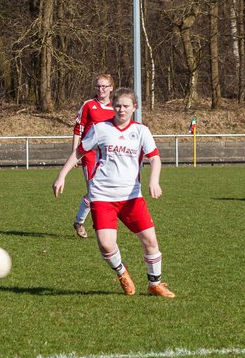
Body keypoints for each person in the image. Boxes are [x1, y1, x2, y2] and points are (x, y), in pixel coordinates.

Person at [52, 87, 174, 298]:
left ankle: (155, 284)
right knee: (106, 244)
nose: (121, 110)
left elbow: (154, 157)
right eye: (117, 106)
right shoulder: (100, 129)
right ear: (112, 106)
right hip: (102, 195)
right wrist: (62, 175)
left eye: (126, 106)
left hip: (131, 197)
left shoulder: (141, 131)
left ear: (134, 107)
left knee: (150, 241)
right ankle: (121, 272)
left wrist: (154, 180)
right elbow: (80, 151)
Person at [56, 73, 115, 238]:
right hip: (88, 154)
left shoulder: (116, 108)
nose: (100, 89)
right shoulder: (89, 105)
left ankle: (79, 222)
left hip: (107, 155)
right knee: (94, 190)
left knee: (102, 191)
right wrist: (75, 152)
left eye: (104, 86)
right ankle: (93, 224)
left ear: (111, 88)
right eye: (98, 86)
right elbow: (78, 129)